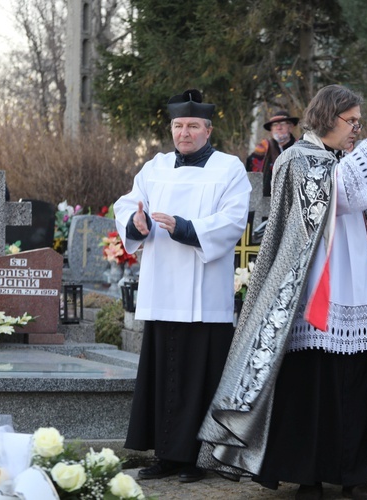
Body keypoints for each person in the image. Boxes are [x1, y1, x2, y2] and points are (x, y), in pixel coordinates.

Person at [199, 85, 367, 500]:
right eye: (353, 122)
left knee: (354, 384)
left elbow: (361, 200)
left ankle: (352, 473)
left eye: (361, 124)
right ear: (328, 117)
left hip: (357, 286)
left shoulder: (346, 159)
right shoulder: (295, 159)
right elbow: (329, 197)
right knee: (312, 388)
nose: (357, 131)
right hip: (311, 293)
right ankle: (308, 476)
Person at [114, 89, 251, 484]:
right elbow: (128, 204)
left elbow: (233, 220)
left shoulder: (228, 168)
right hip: (162, 290)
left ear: (208, 130)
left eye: (193, 126)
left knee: (200, 376)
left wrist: (188, 228)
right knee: (162, 375)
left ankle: (199, 457)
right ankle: (165, 455)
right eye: (178, 126)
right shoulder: (154, 167)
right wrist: (135, 223)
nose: (184, 133)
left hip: (203, 293)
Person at [253, 110, 299, 196]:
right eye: (274, 125)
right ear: (271, 130)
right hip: (267, 200)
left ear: (291, 127)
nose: (278, 127)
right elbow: (252, 175)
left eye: (282, 123)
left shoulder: (300, 149)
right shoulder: (262, 149)